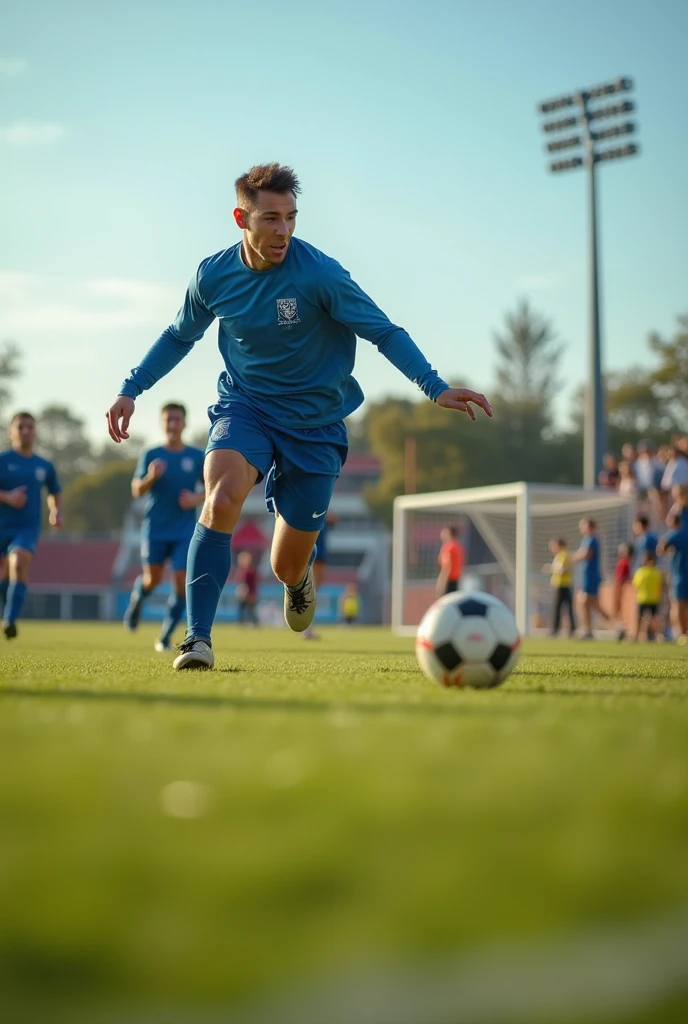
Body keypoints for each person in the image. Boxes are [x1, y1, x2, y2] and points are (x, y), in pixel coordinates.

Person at [106, 164, 493, 670]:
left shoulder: (321, 274)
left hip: (316, 424)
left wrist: (434, 386)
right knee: (219, 499)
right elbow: (181, 335)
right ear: (240, 217)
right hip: (245, 406)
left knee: (285, 562)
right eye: (270, 219)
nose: (283, 230)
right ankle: (197, 639)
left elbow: (384, 331)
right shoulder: (213, 275)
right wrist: (131, 389)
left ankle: (298, 578)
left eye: (291, 218)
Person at [123, 403, 205, 651]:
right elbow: (136, 490)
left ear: (184, 423)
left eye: (177, 419)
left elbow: (212, 488)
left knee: (181, 581)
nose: (172, 424)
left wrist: (195, 499)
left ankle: (165, 637)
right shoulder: (151, 455)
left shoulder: (195, 456)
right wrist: (151, 477)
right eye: (168, 419)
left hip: (184, 529)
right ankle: (139, 597)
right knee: (153, 580)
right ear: (162, 423)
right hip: (155, 528)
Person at [0, 412, 62, 639]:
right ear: (11, 431)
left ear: (35, 432)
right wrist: (7, 497)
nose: (25, 431)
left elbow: (54, 490)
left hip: (26, 528)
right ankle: (7, 610)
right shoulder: (3, 461)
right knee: (3, 573)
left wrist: (55, 511)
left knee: (19, 561)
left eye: (29, 427)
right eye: (20, 427)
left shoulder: (43, 465)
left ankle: (10, 620)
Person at [573, 518, 612, 639]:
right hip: (585, 576)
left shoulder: (592, 539)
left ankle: (589, 629)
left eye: (583, 525)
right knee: (588, 603)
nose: (581, 528)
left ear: (589, 526)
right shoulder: (586, 540)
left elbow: (586, 554)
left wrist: (574, 556)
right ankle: (588, 629)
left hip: (591, 576)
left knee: (584, 601)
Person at [303, 511, 336, 640]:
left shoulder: (322, 513)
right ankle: (305, 627)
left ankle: (306, 626)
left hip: (320, 555)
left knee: (313, 593)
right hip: (311, 554)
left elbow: (333, 520)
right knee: (309, 592)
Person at [658, 514, 688, 644]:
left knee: (677, 605)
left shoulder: (673, 534)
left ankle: (679, 634)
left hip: (679, 575)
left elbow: (661, 550)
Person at [546, 538, 575, 637]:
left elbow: (562, 569)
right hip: (562, 584)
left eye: (554, 546)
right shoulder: (560, 555)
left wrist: (551, 567)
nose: (552, 548)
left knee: (560, 607)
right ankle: (566, 629)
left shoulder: (563, 554)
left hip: (563, 585)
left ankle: (556, 629)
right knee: (565, 607)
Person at [631, 551, 663, 642]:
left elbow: (635, 585)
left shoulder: (654, 572)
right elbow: (635, 585)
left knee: (653, 618)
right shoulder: (641, 572)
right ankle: (636, 635)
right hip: (643, 598)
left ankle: (658, 635)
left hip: (651, 599)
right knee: (640, 617)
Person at [612, 541, 633, 641]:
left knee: (619, 610)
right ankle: (619, 629)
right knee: (618, 610)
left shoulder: (624, 563)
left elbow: (622, 578)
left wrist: (618, 589)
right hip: (619, 587)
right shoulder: (624, 562)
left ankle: (621, 629)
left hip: (620, 588)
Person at [436, 526, 464, 597]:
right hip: (456, 580)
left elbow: (446, 567)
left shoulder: (448, 548)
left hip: (449, 581)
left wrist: (441, 584)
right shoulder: (458, 547)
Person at [235, 550, 259, 626]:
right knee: (242, 609)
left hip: (250, 593)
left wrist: (252, 593)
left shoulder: (251, 571)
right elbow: (239, 582)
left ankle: (253, 623)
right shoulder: (241, 570)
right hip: (243, 593)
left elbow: (253, 583)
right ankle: (242, 623)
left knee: (251, 609)